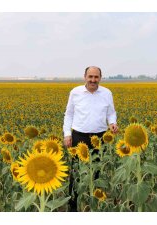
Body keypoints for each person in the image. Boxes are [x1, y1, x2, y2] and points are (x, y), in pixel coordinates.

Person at [63, 66, 118, 211]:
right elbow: (68, 114)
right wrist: (67, 134)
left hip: (99, 137)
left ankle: (92, 205)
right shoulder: (75, 92)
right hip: (79, 136)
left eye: (96, 77)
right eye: (90, 76)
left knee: (97, 172)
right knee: (76, 173)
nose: (93, 80)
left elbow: (111, 113)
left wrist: (112, 123)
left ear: (100, 78)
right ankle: (73, 208)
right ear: (85, 77)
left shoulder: (107, 93)